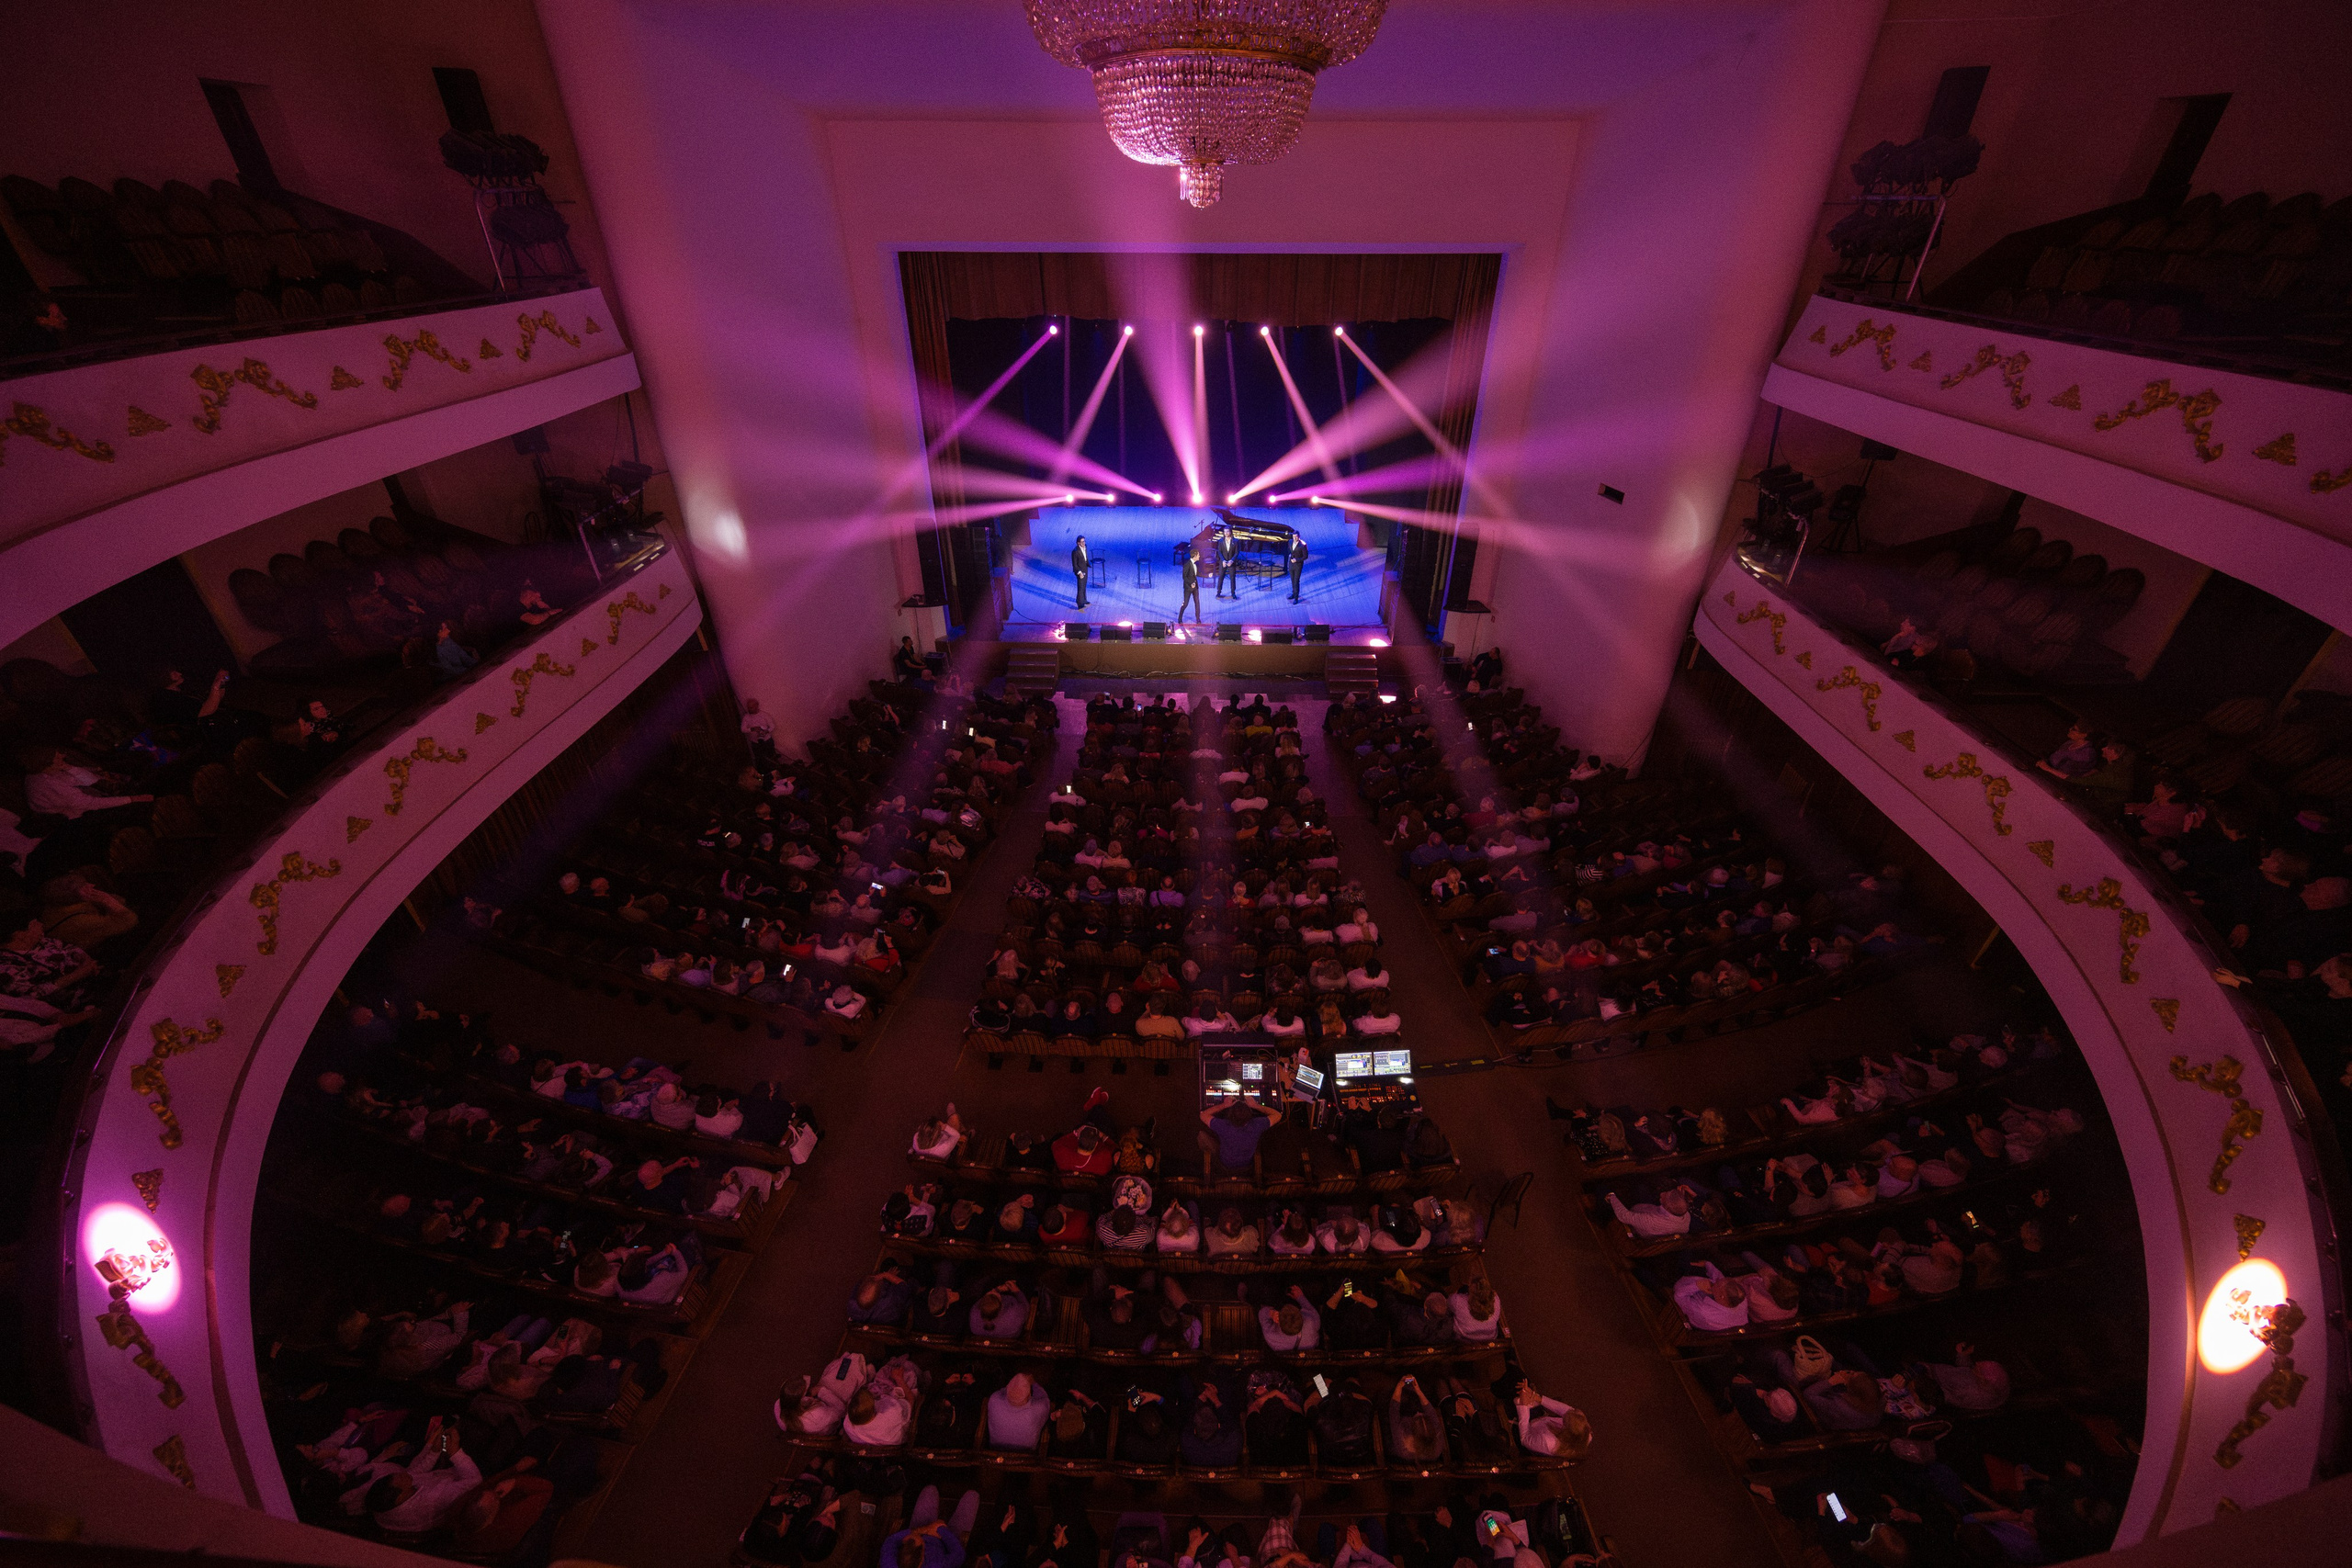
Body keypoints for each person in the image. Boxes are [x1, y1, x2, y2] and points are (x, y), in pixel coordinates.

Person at [1197, 1094, 1274, 1173]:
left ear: (1229, 1114)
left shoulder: (1222, 1125)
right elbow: (1277, 1115)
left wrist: (1224, 1105)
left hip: (1224, 1165)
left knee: (1201, 1135)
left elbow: (1203, 1115)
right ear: (1250, 1114)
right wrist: (1256, 1105)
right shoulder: (1257, 1124)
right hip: (1247, 1165)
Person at [1178, 544, 1204, 624]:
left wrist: (1206, 575)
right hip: (1188, 588)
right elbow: (1184, 577)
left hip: (1195, 587)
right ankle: (1180, 618)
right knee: (1185, 603)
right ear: (1195, 555)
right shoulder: (1187, 564)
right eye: (1198, 555)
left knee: (1197, 602)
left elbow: (1196, 574)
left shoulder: (1195, 565)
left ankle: (1198, 618)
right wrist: (1191, 583)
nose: (1199, 556)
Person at [1214, 523, 1238, 599]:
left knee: (1232, 578)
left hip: (1231, 562)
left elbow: (1237, 552)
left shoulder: (1236, 541)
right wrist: (1223, 561)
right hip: (1223, 562)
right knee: (1221, 577)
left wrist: (1232, 560)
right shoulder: (1221, 541)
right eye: (1224, 532)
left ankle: (1233, 593)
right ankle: (1218, 592)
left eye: (1227, 531)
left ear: (1230, 532)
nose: (1226, 533)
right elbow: (1219, 552)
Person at [1286, 528, 1307, 604]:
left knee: (1296, 581)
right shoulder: (1290, 541)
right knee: (1292, 580)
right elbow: (1290, 551)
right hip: (1291, 564)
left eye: (1296, 537)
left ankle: (1296, 598)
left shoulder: (1302, 545)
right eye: (1293, 536)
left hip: (1298, 565)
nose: (1295, 538)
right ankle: (1293, 593)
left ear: (1299, 536)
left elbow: (1305, 556)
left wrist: (1297, 560)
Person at [1072, 534, 1091, 610]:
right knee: (1080, 587)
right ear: (1078, 543)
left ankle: (1084, 600)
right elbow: (1074, 564)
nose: (1084, 543)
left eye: (1084, 541)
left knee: (1084, 585)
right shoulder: (1075, 551)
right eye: (1082, 542)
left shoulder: (1085, 547)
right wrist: (1079, 573)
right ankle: (1080, 603)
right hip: (1079, 571)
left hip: (1085, 569)